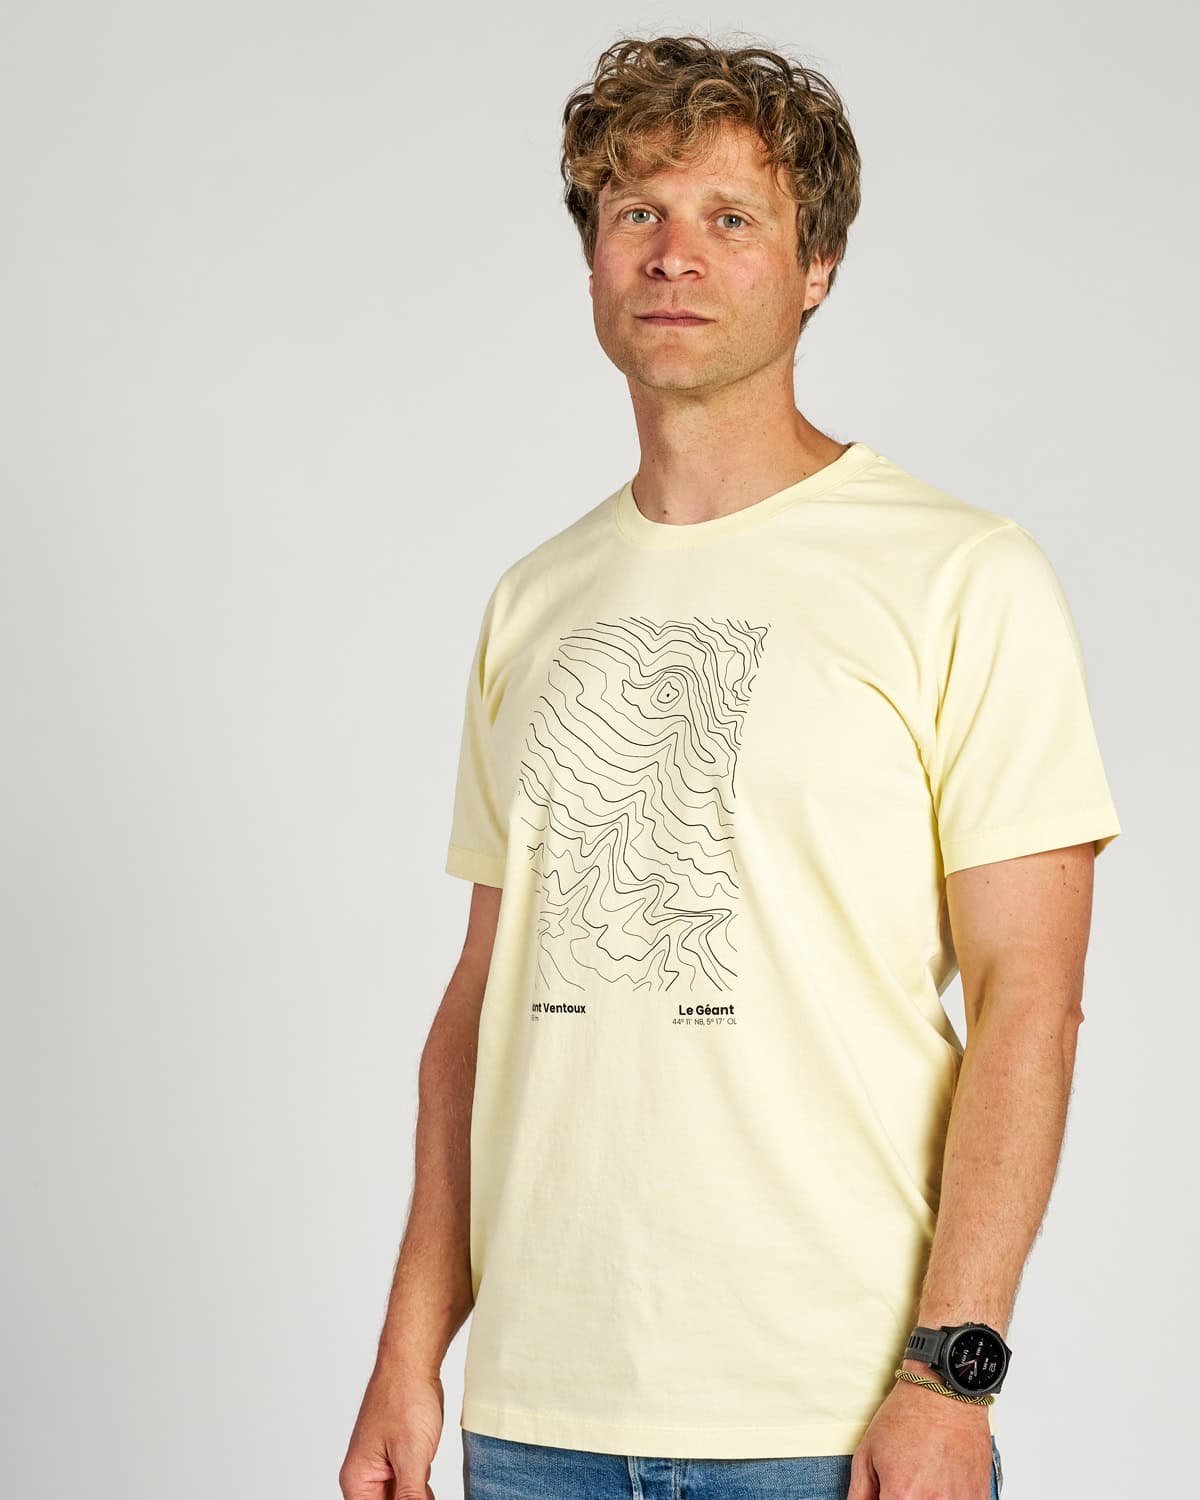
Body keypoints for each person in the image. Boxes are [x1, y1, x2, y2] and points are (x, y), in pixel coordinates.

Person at [340, 33, 1119, 1500]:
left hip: (831, 1418)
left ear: (817, 266)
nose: (674, 255)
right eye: (636, 212)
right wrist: (408, 1353)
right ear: (592, 260)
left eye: (731, 216)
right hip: (536, 1422)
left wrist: (951, 1378)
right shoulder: (534, 600)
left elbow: (1032, 999)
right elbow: (479, 1006)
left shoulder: (962, 575)